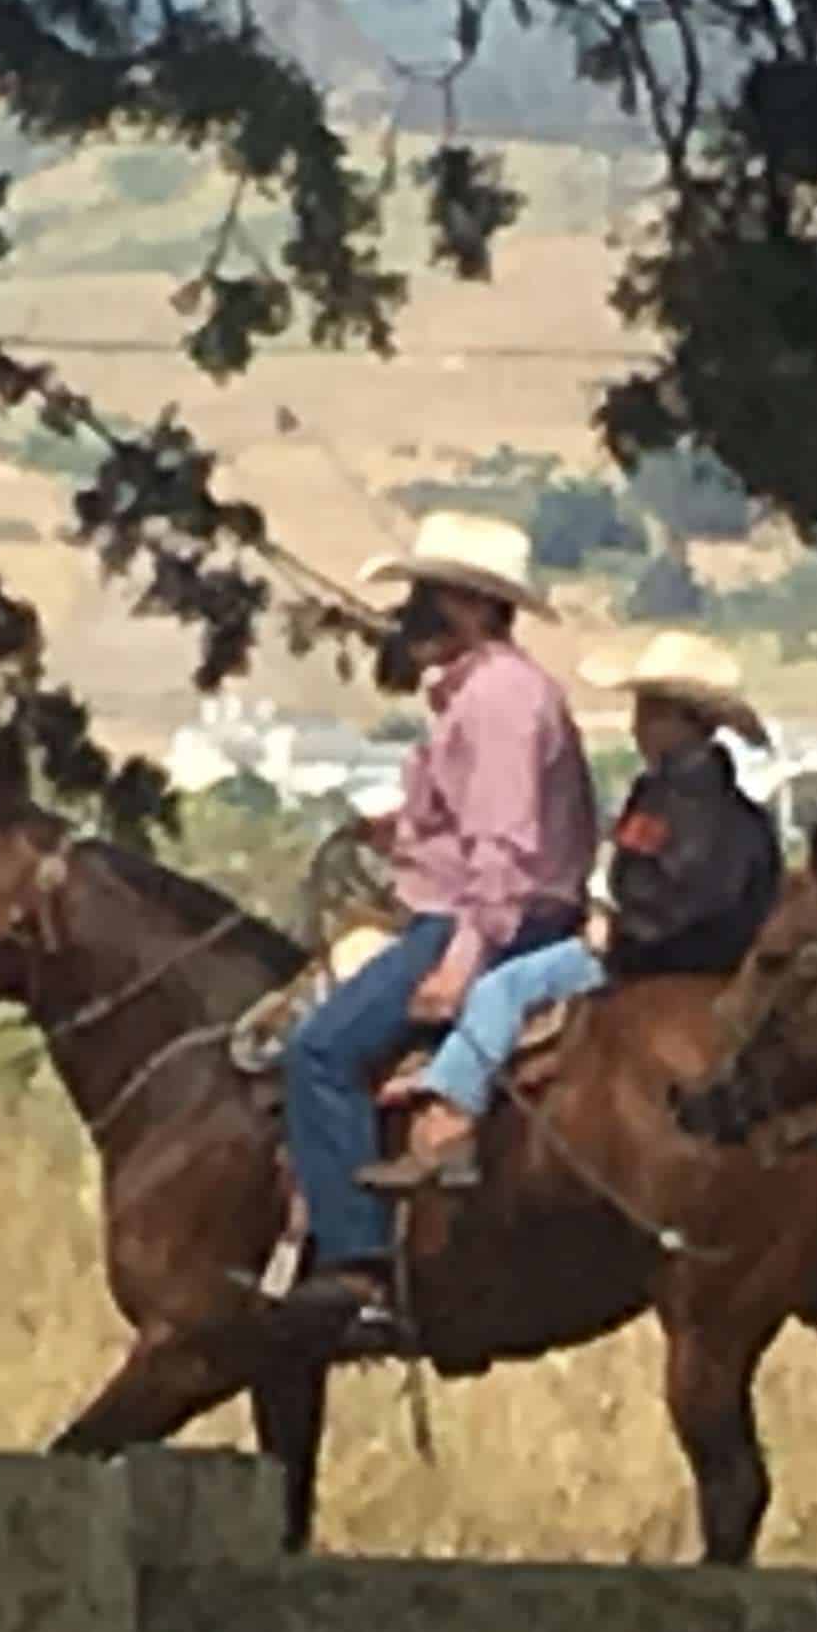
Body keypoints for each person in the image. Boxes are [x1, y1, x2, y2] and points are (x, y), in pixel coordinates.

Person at [277, 512, 596, 1351]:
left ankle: (357, 1268)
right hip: (477, 906)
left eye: (436, 592)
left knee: (318, 1050)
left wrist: (464, 960)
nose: (417, 606)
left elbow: (503, 854)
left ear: (479, 606)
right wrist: (405, 830)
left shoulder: (497, 702)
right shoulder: (482, 693)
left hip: (485, 920)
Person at [360, 628, 781, 1193]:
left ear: (677, 720)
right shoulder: (731, 811)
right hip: (694, 955)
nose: (636, 725)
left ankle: (452, 1114)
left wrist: (620, 933)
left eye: (647, 711)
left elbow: (680, 897)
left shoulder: (673, 803)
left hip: (642, 953)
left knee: (502, 988)